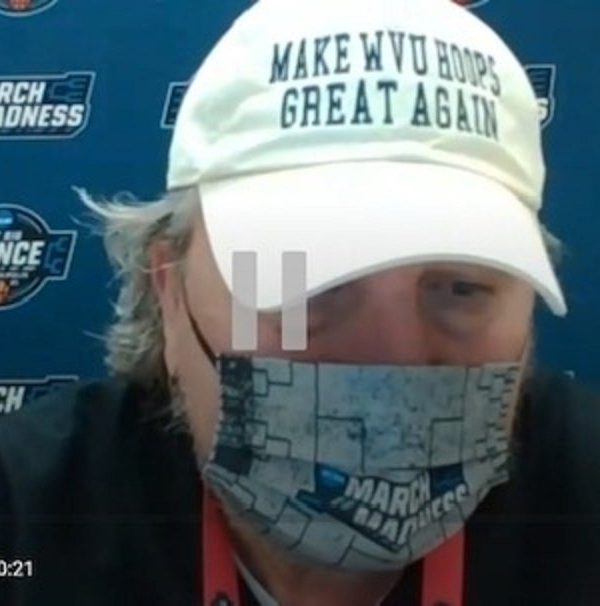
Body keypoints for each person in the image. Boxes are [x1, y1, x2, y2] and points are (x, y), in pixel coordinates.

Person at [1, 0, 599, 604]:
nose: (392, 360)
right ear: (169, 295)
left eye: (461, 288)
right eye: (305, 283)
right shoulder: (26, 519)